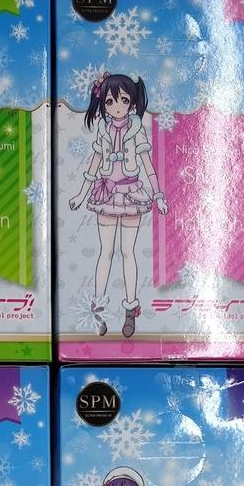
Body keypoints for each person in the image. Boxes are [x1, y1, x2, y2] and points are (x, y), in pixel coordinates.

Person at [69, 72, 167, 337]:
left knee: (128, 252)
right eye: (110, 101)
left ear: (132, 102)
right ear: (103, 103)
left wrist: (158, 195)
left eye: (123, 100)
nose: (117, 106)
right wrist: (81, 194)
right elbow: (93, 165)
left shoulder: (136, 130)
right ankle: (98, 309)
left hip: (132, 194)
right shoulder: (103, 129)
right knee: (106, 252)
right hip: (107, 195)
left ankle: (130, 309)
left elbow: (147, 166)